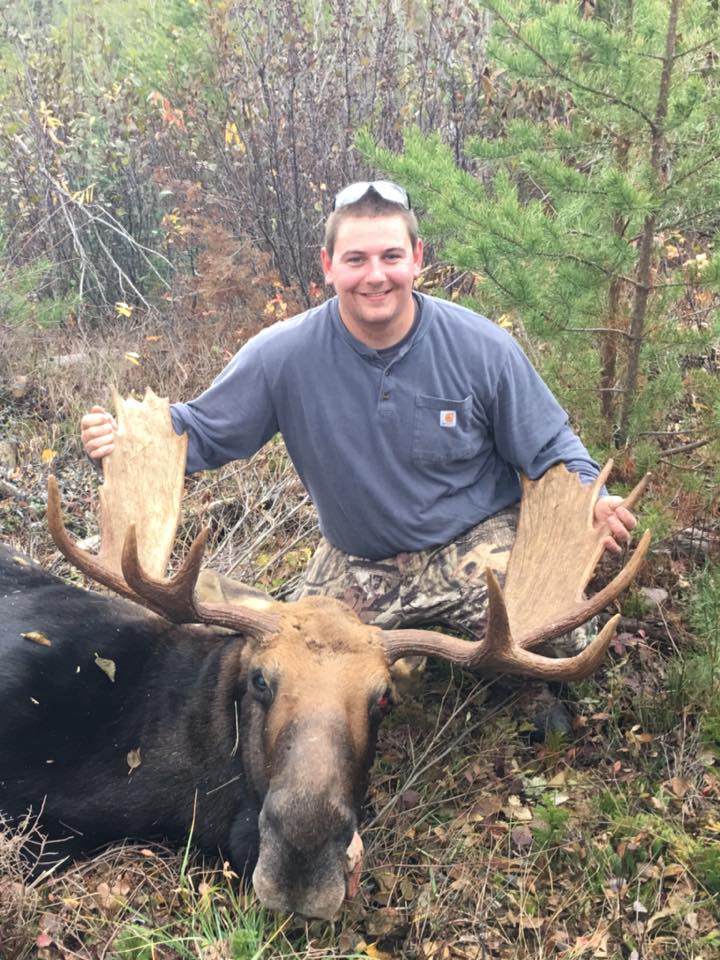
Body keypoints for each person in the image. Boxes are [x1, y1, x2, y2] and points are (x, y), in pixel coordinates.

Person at [81, 180, 636, 738]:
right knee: (300, 668)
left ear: (417, 259)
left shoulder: (482, 348)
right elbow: (198, 433)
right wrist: (127, 443)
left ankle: (518, 683)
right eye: (356, 259)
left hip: (474, 542)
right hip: (360, 558)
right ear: (328, 266)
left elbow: (552, 450)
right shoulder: (284, 355)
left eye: (392, 256)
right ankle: (418, 655)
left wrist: (596, 498)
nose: (376, 275)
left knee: (561, 639)